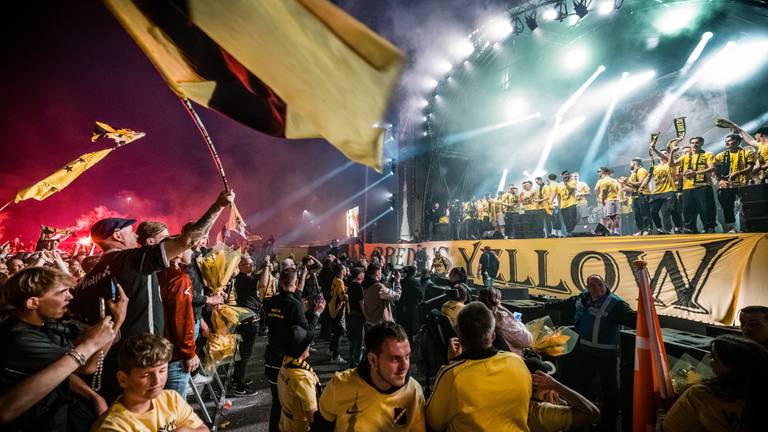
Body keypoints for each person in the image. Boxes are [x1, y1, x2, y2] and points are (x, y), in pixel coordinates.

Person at [70, 190, 235, 402]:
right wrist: (219, 205)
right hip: (143, 366)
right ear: (117, 236)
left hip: (110, 370)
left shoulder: (88, 279)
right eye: (131, 231)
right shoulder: (131, 260)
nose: (135, 236)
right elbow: (188, 240)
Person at [0, 267, 126, 431]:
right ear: (33, 302)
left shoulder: (46, 324)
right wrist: (94, 340)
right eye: (61, 292)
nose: (70, 296)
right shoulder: (18, 337)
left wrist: (116, 320)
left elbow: (63, 368)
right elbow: (86, 366)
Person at [426, 302, 532, 431]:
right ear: (493, 336)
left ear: (458, 334)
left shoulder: (452, 375)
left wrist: (453, 363)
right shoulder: (518, 362)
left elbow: (433, 421)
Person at [315, 321, 426, 431]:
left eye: (407, 356)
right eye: (395, 359)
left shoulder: (414, 391)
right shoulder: (339, 386)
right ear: (373, 360)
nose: (404, 366)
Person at [561, 274, 635, 431]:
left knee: (610, 393)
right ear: (587, 287)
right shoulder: (583, 299)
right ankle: (582, 420)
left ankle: (608, 426)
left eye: (600, 284)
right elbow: (564, 304)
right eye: (593, 285)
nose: (597, 288)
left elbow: (632, 318)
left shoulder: (615, 304)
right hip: (585, 353)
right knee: (581, 387)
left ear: (605, 284)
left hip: (607, 356)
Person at [91, 333, 208, 432]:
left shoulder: (171, 399)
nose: (157, 381)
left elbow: (203, 428)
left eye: (162, 370)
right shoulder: (113, 426)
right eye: (146, 375)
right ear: (123, 379)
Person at [662, 334, 768, 432]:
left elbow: (669, 428)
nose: (709, 360)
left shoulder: (701, 395)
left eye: (714, 358)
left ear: (732, 367)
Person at [265, 267, 325, 432]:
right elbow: (307, 334)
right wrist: (317, 314)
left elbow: (292, 297)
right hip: (286, 361)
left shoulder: (273, 301)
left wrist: (303, 276)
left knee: (277, 404)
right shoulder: (295, 304)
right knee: (288, 406)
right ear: (296, 282)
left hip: (271, 359)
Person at [158, 248, 199, 397]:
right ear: (178, 253)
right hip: (175, 354)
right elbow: (181, 320)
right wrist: (189, 352)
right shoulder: (178, 279)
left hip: (159, 349)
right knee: (175, 409)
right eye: (188, 248)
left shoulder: (156, 273)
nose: (192, 252)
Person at [525, 358, 600, 432]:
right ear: (538, 383)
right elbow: (593, 413)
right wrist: (556, 385)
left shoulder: (524, 403)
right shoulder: (542, 413)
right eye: (547, 379)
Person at [277, 326, 320, 432]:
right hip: (300, 426)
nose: (309, 345)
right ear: (300, 349)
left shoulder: (286, 362)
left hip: (286, 421)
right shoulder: (302, 378)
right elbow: (312, 415)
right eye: (307, 344)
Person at [229, 255, 262, 396]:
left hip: (248, 319)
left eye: (252, 263)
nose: (251, 265)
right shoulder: (243, 279)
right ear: (240, 267)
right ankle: (240, 387)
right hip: (248, 321)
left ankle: (238, 379)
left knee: (243, 353)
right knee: (245, 354)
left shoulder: (244, 277)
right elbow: (262, 283)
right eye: (248, 264)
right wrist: (266, 268)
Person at [714, 134, 756, 233]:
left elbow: (750, 168)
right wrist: (720, 180)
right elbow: (716, 171)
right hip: (727, 185)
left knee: (746, 206)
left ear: (737, 142)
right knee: (727, 207)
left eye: (729, 141)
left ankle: (748, 226)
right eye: (725, 141)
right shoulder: (720, 155)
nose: (726, 143)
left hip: (744, 184)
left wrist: (737, 173)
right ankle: (731, 228)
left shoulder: (747, 152)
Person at [676, 136, 717, 233]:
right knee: (687, 210)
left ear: (702, 144)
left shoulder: (708, 154)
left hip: (703, 186)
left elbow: (712, 168)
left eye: (697, 142)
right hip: (687, 187)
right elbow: (671, 164)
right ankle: (689, 228)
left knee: (706, 209)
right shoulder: (685, 156)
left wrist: (695, 173)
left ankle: (709, 228)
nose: (694, 144)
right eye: (692, 142)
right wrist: (673, 151)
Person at [476, 287, 532, 356]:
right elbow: (527, 340)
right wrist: (518, 323)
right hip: (512, 359)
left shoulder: (475, 317)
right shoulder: (504, 319)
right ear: (497, 300)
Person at [648, 144, 683, 234]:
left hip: (669, 190)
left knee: (672, 210)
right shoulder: (655, 167)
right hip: (657, 192)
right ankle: (660, 229)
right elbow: (649, 178)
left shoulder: (671, 163)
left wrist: (655, 149)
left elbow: (667, 158)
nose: (662, 155)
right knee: (653, 211)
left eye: (665, 153)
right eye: (661, 153)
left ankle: (678, 227)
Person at [621, 158, 651, 235]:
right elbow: (632, 185)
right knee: (637, 214)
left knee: (644, 213)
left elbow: (641, 183)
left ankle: (647, 229)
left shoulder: (642, 170)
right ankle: (640, 229)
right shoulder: (633, 173)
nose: (629, 165)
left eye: (630, 163)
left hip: (643, 194)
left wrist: (627, 181)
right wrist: (624, 182)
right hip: (635, 195)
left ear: (634, 163)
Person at [396, 266, 423, 344]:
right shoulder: (416, 282)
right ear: (414, 273)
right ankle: (409, 345)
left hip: (400, 307)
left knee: (400, 325)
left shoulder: (401, 281)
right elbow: (420, 295)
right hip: (411, 308)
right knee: (410, 328)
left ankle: (399, 342)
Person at [328, 263, 349, 364]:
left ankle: (331, 350)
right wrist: (348, 295)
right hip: (338, 309)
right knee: (339, 332)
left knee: (336, 331)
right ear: (341, 271)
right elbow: (342, 297)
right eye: (344, 269)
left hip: (332, 307)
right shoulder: (340, 281)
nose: (346, 270)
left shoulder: (335, 279)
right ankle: (335, 356)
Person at [346, 267, 366, 367]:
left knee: (353, 340)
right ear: (359, 275)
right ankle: (357, 362)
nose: (364, 275)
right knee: (359, 340)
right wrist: (365, 314)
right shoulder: (358, 286)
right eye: (363, 273)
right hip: (358, 315)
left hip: (351, 314)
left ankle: (352, 360)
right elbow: (361, 302)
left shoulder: (350, 285)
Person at [595, 167, 622, 235]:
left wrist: (603, 200)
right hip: (616, 200)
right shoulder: (614, 180)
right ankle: (616, 231)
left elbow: (604, 192)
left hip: (609, 200)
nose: (598, 173)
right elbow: (619, 189)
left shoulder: (604, 181)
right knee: (615, 217)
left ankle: (609, 231)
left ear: (603, 172)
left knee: (609, 217)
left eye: (599, 171)